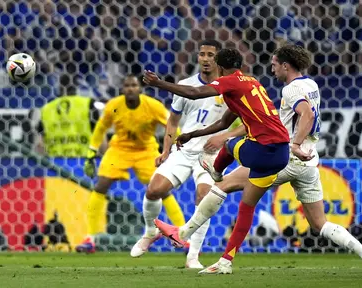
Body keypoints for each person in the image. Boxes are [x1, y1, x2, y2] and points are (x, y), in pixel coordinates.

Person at [155, 44, 362, 274]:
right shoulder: (310, 84)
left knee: (221, 185)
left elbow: (307, 114)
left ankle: (185, 233)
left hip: (286, 155)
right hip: (309, 161)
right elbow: (235, 121)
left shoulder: (290, 90)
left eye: (275, 65)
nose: (272, 69)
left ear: (286, 65)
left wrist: (294, 144)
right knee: (319, 224)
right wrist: (194, 134)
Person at [143, 47, 290, 265]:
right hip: (281, 151)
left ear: (220, 67)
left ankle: (216, 171)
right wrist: (193, 133)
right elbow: (223, 123)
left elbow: (194, 92)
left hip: (264, 149)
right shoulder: (250, 82)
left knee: (229, 145)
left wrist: (159, 84)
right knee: (244, 206)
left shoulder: (230, 81)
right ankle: (223, 260)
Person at [132, 40, 236, 269]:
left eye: (210, 54)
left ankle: (193, 257)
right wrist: (165, 150)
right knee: (154, 190)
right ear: (197, 58)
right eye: (202, 54)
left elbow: (235, 122)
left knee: (204, 197)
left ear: (218, 59)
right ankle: (151, 231)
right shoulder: (185, 85)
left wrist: (225, 138)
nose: (206, 58)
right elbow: (173, 121)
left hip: (211, 154)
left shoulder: (228, 88)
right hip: (184, 149)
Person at [75, 75, 185, 253]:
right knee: (101, 185)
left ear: (140, 88)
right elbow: (101, 129)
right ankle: (91, 238)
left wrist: (174, 148)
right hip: (120, 149)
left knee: (161, 189)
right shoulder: (113, 105)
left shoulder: (153, 106)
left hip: (146, 150)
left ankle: (183, 235)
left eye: (134, 85)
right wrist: (91, 153)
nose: (130, 89)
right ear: (122, 89)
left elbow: (172, 125)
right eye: (127, 86)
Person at [36, 74, 103, 157]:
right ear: (76, 87)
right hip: (83, 162)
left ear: (59, 87)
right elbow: (101, 137)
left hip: (55, 164)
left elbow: (40, 145)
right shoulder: (88, 104)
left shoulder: (47, 108)